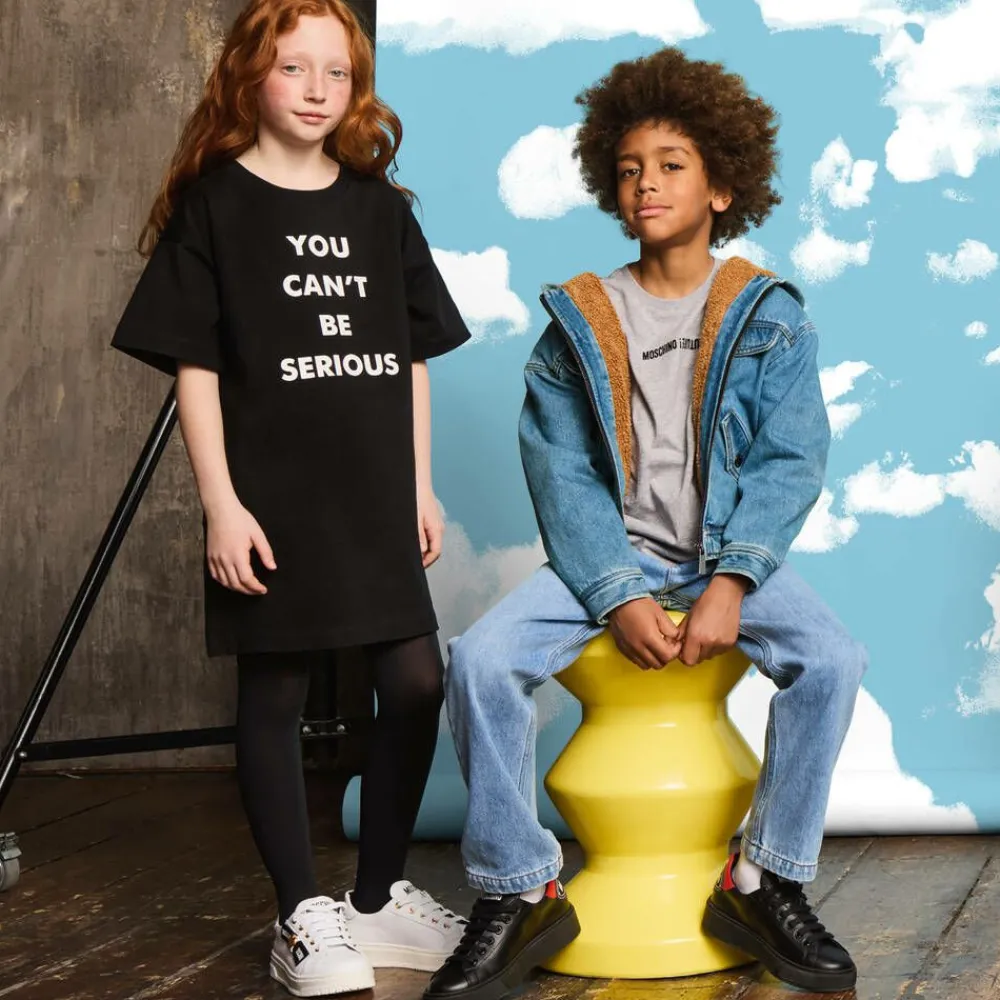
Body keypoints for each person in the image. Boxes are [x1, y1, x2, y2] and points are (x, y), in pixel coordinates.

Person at [427, 48, 866, 999]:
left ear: (722, 186)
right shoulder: (578, 321)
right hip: (607, 558)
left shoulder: (770, 316)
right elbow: (561, 473)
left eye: (671, 164)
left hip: (724, 558)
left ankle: (763, 881)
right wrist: (617, 592)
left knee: (833, 659)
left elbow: (791, 461)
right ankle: (519, 888)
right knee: (477, 659)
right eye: (629, 170)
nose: (646, 184)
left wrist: (733, 582)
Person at [110, 2, 471, 995]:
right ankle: (302, 916)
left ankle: (378, 899)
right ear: (249, 76)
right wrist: (220, 505)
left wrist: (419, 483)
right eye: (294, 68)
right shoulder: (216, 206)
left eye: (337, 73)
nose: (317, 91)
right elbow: (193, 367)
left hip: (373, 493)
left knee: (415, 684)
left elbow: (410, 357)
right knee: (272, 693)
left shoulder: (380, 209)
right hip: (270, 498)